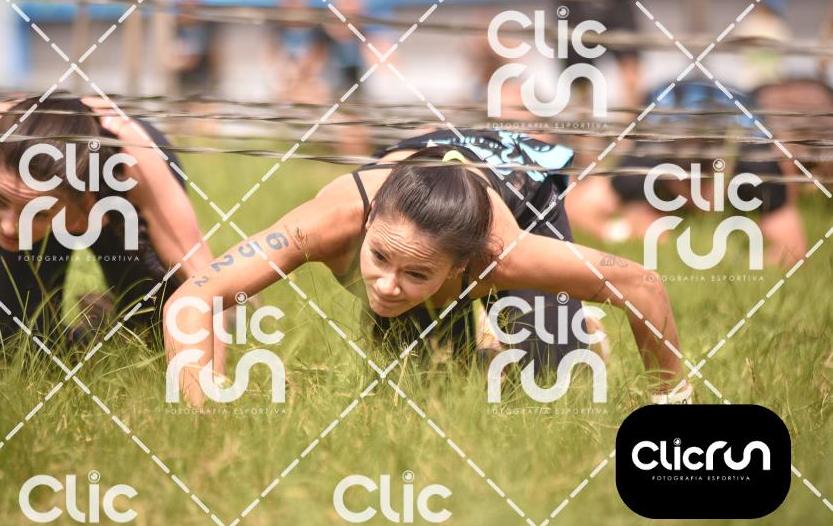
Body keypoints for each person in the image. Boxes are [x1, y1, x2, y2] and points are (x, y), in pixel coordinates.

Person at [163, 128, 688, 406]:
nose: (387, 287)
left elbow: (641, 283)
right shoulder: (323, 226)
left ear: (464, 266)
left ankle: (579, 328)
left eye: (415, 273)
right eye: (378, 258)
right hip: (424, 165)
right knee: (430, 388)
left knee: (545, 380)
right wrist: (200, 412)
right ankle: (477, 335)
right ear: (367, 224)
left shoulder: (502, 254)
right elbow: (192, 299)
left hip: (516, 183)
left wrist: (671, 400)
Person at [0, 96, 224, 365]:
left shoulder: (133, 165)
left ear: (83, 205)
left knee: (159, 332)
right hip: (39, 171)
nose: (9, 226)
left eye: (36, 213)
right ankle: (95, 324)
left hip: (113, 175)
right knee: (11, 350)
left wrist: (213, 384)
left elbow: (205, 282)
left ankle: (109, 316)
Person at [565, 80, 808, 267]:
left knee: (784, 162)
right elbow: (574, 206)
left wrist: (734, 269)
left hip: (736, 103)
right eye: (685, 186)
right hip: (666, 99)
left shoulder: (755, 164)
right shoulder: (644, 161)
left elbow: (794, 250)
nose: (697, 198)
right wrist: (623, 232)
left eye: (704, 186)